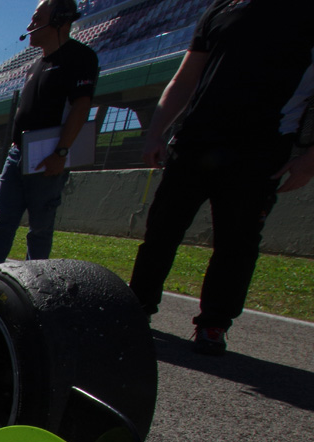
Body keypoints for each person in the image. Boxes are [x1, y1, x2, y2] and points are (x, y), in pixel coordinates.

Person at [127, 0, 314, 355]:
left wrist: (308, 161)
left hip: (260, 151)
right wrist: (156, 132)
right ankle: (138, 306)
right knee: (161, 232)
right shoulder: (221, 8)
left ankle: (214, 324)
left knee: (237, 243)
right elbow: (185, 78)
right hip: (194, 141)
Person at [0, 0, 97, 271]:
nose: (29, 26)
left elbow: (81, 106)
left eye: (36, 19)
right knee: (2, 223)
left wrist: (61, 153)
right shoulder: (35, 65)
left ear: (59, 21)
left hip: (48, 156)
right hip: (18, 152)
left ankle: (36, 290)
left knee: (40, 229)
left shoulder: (80, 57)